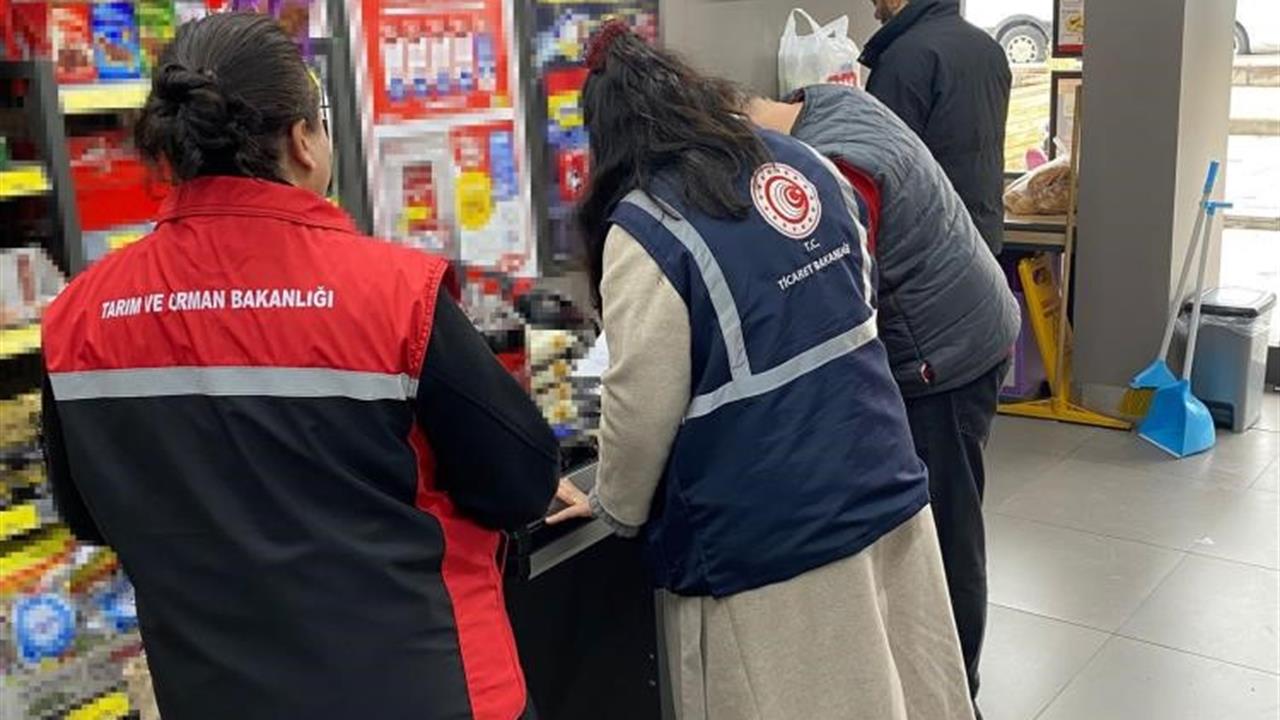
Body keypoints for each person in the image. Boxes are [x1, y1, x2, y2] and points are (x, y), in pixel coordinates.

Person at [41, 13, 558, 719]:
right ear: (302, 138)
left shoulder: (78, 317)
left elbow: (91, 513)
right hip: (422, 689)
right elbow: (522, 483)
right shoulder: (392, 296)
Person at [548, 22, 974, 720]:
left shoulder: (649, 224)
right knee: (906, 681)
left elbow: (642, 402)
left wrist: (611, 504)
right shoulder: (802, 161)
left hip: (769, 536)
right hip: (880, 470)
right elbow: (854, 297)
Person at [749, 84, 1021, 718]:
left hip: (942, 358)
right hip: (971, 320)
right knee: (945, 523)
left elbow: (842, 304)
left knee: (944, 538)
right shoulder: (826, 100)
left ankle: (957, 697)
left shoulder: (837, 171)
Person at [861, 0, 1012, 255]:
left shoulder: (904, 57)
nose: (876, 13)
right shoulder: (989, 48)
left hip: (928, 246)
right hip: (982, 234)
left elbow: (881, 164)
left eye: (878, 2)